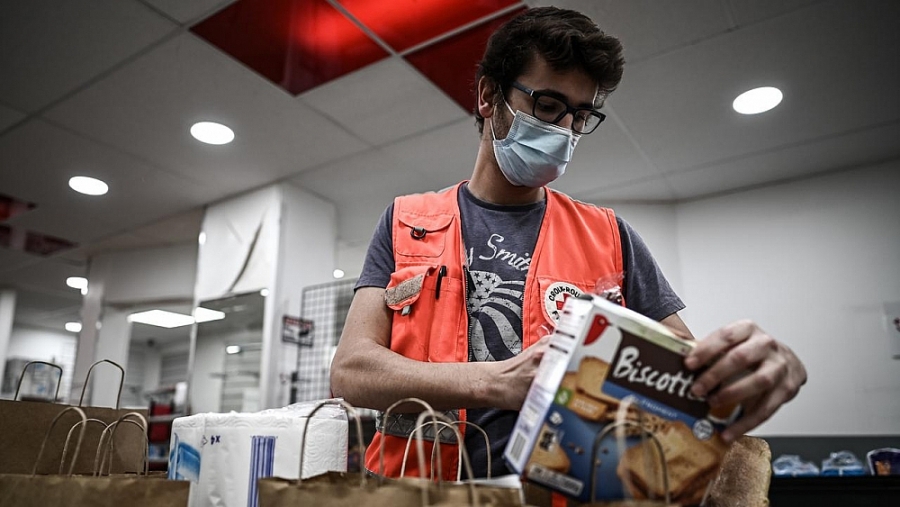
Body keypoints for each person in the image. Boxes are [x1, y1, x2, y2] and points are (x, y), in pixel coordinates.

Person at [330, 6, 806, 481]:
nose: (563, 130)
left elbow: (687, 377)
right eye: (547, 106)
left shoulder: (609, 235)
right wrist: (496, 381)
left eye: (580, 116)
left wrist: (746, 370)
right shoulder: (408, 221)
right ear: (488, 96)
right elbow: (351, 372)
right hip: (417, 491)